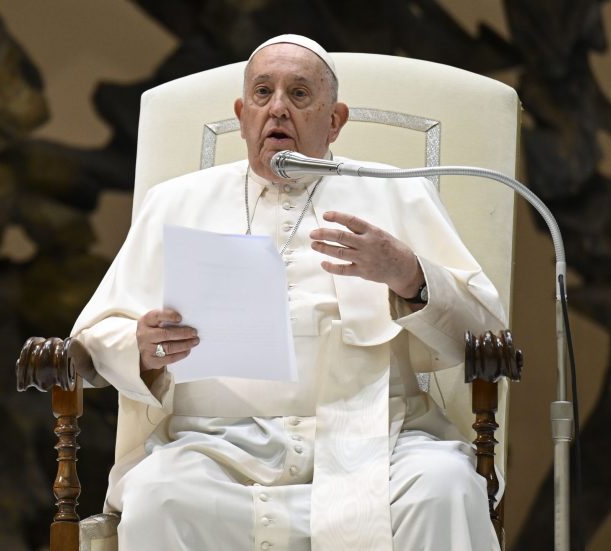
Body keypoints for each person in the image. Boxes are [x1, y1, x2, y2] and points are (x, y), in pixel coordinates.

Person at [70, 34, 507, 551]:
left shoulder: (397, 191)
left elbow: (487, 334)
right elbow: (94, 338)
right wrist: (139, 348)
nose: (277, 108)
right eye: (262, 93)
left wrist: (409, 274)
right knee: (158, 497)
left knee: (445, 489)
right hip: (216, 450)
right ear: (241, 113)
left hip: (377, 439)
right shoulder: (176, 202)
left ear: (335, 120)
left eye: (299, 94)